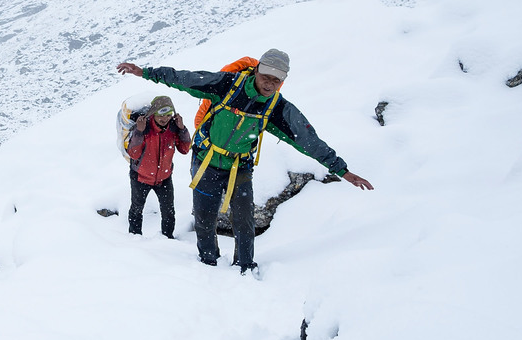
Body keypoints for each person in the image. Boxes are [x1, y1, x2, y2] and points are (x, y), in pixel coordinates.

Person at [116, 49, 374, 275]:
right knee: (205, 218)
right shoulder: (228, 85)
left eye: (277, 80)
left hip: (240, 166)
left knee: (244, 219)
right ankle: (207, 263)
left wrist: (342, 170)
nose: (270, 84)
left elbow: (307, 138)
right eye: (266, 77)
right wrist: (146, 72)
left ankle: (246, 267)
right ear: (257, 71)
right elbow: (187, 79)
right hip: (206, 160)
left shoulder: (275, 107)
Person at [124, 95, 192, 238]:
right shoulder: (144, 127)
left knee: (168, 211)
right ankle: (134, 238)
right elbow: (133, 154)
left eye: (168, 115)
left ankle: (167, 239)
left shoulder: (173, 128)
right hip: (140, 177)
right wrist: (139, 131)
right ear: (153, 113)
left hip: (164, 178)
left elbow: (185, 149)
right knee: (136, 209)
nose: (164, 118)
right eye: (161, 114)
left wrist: (182, 128)